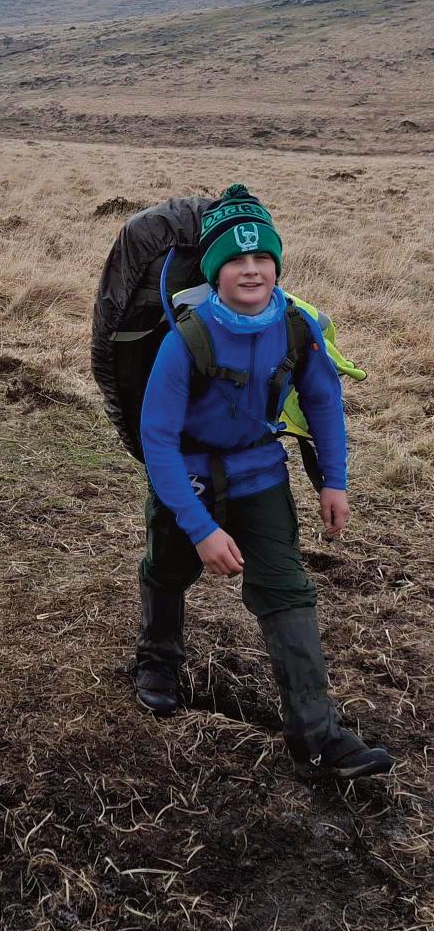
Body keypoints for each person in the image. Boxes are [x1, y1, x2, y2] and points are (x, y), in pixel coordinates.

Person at [132, 184, 393, 780]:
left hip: (260, 473)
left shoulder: (297, 327)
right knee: (169, 569)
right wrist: (201, 528)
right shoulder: (186, 339)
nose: (250, 270)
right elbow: (158, 441)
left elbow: (324, 403)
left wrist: (334, 481)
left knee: (287, 591)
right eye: (236, 260)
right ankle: (157, 660)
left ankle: (318, 739)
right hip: (190, 478)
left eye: (262, 258)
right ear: (215, 271)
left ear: (276, 265)